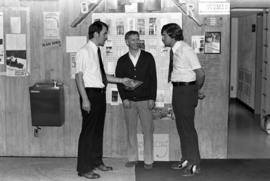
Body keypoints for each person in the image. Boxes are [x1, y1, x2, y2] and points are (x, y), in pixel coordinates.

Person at [75, 21, 132, 179]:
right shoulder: (84, 52)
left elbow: (101, 76)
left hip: (100, 94)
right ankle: (84, 168)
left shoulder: (96, 52)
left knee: (97, 132)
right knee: (88, 133)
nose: (106, 37)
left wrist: (122, 80)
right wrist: (85, 99)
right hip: (90, 95)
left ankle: (96, 162)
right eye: (104, 33)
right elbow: (78, 77)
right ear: (96, 34)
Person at [161, 23, 205, 176]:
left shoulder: (185, 50)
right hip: (178, 91)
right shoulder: (175, 50)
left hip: (186, 91)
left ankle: (195, 164)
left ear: (172, 35)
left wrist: (195, 90)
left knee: (188, 129)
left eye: (164, 35)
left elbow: (200, 73)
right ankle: (186, 159)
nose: (163, 38)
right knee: (181, 128)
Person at [115, 31, 157, 169]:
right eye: (132, 40)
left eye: (137, 39)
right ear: (126, 42)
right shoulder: (121, 60)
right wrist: (124, 98)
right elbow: (119, 81)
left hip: (145, 100)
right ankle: (132, 158)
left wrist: (152, 98)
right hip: (129, 101)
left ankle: (149, 160)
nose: (135, 42)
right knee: (131, 130)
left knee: (148, 130)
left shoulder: (148, 57)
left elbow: (153, 79)